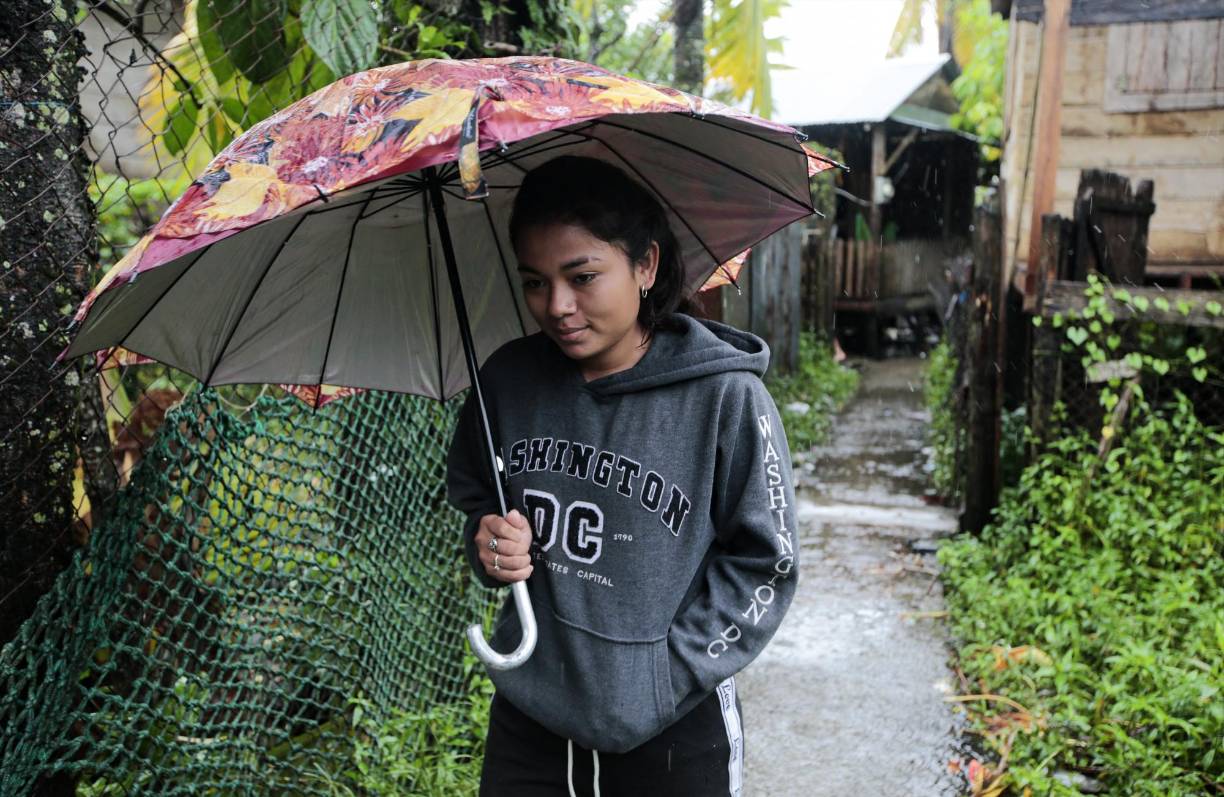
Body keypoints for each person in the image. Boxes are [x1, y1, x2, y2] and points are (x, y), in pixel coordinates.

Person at [446, 155, 799, 797]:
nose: (557, 306)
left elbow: (765, 563)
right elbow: (479, 502)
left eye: (582, 276)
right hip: (531, 723)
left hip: (672, 736)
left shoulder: (724, 397)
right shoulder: (505, 384)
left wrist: (666, 676)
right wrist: (490, 543)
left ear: (646, 266)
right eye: (533, 281)